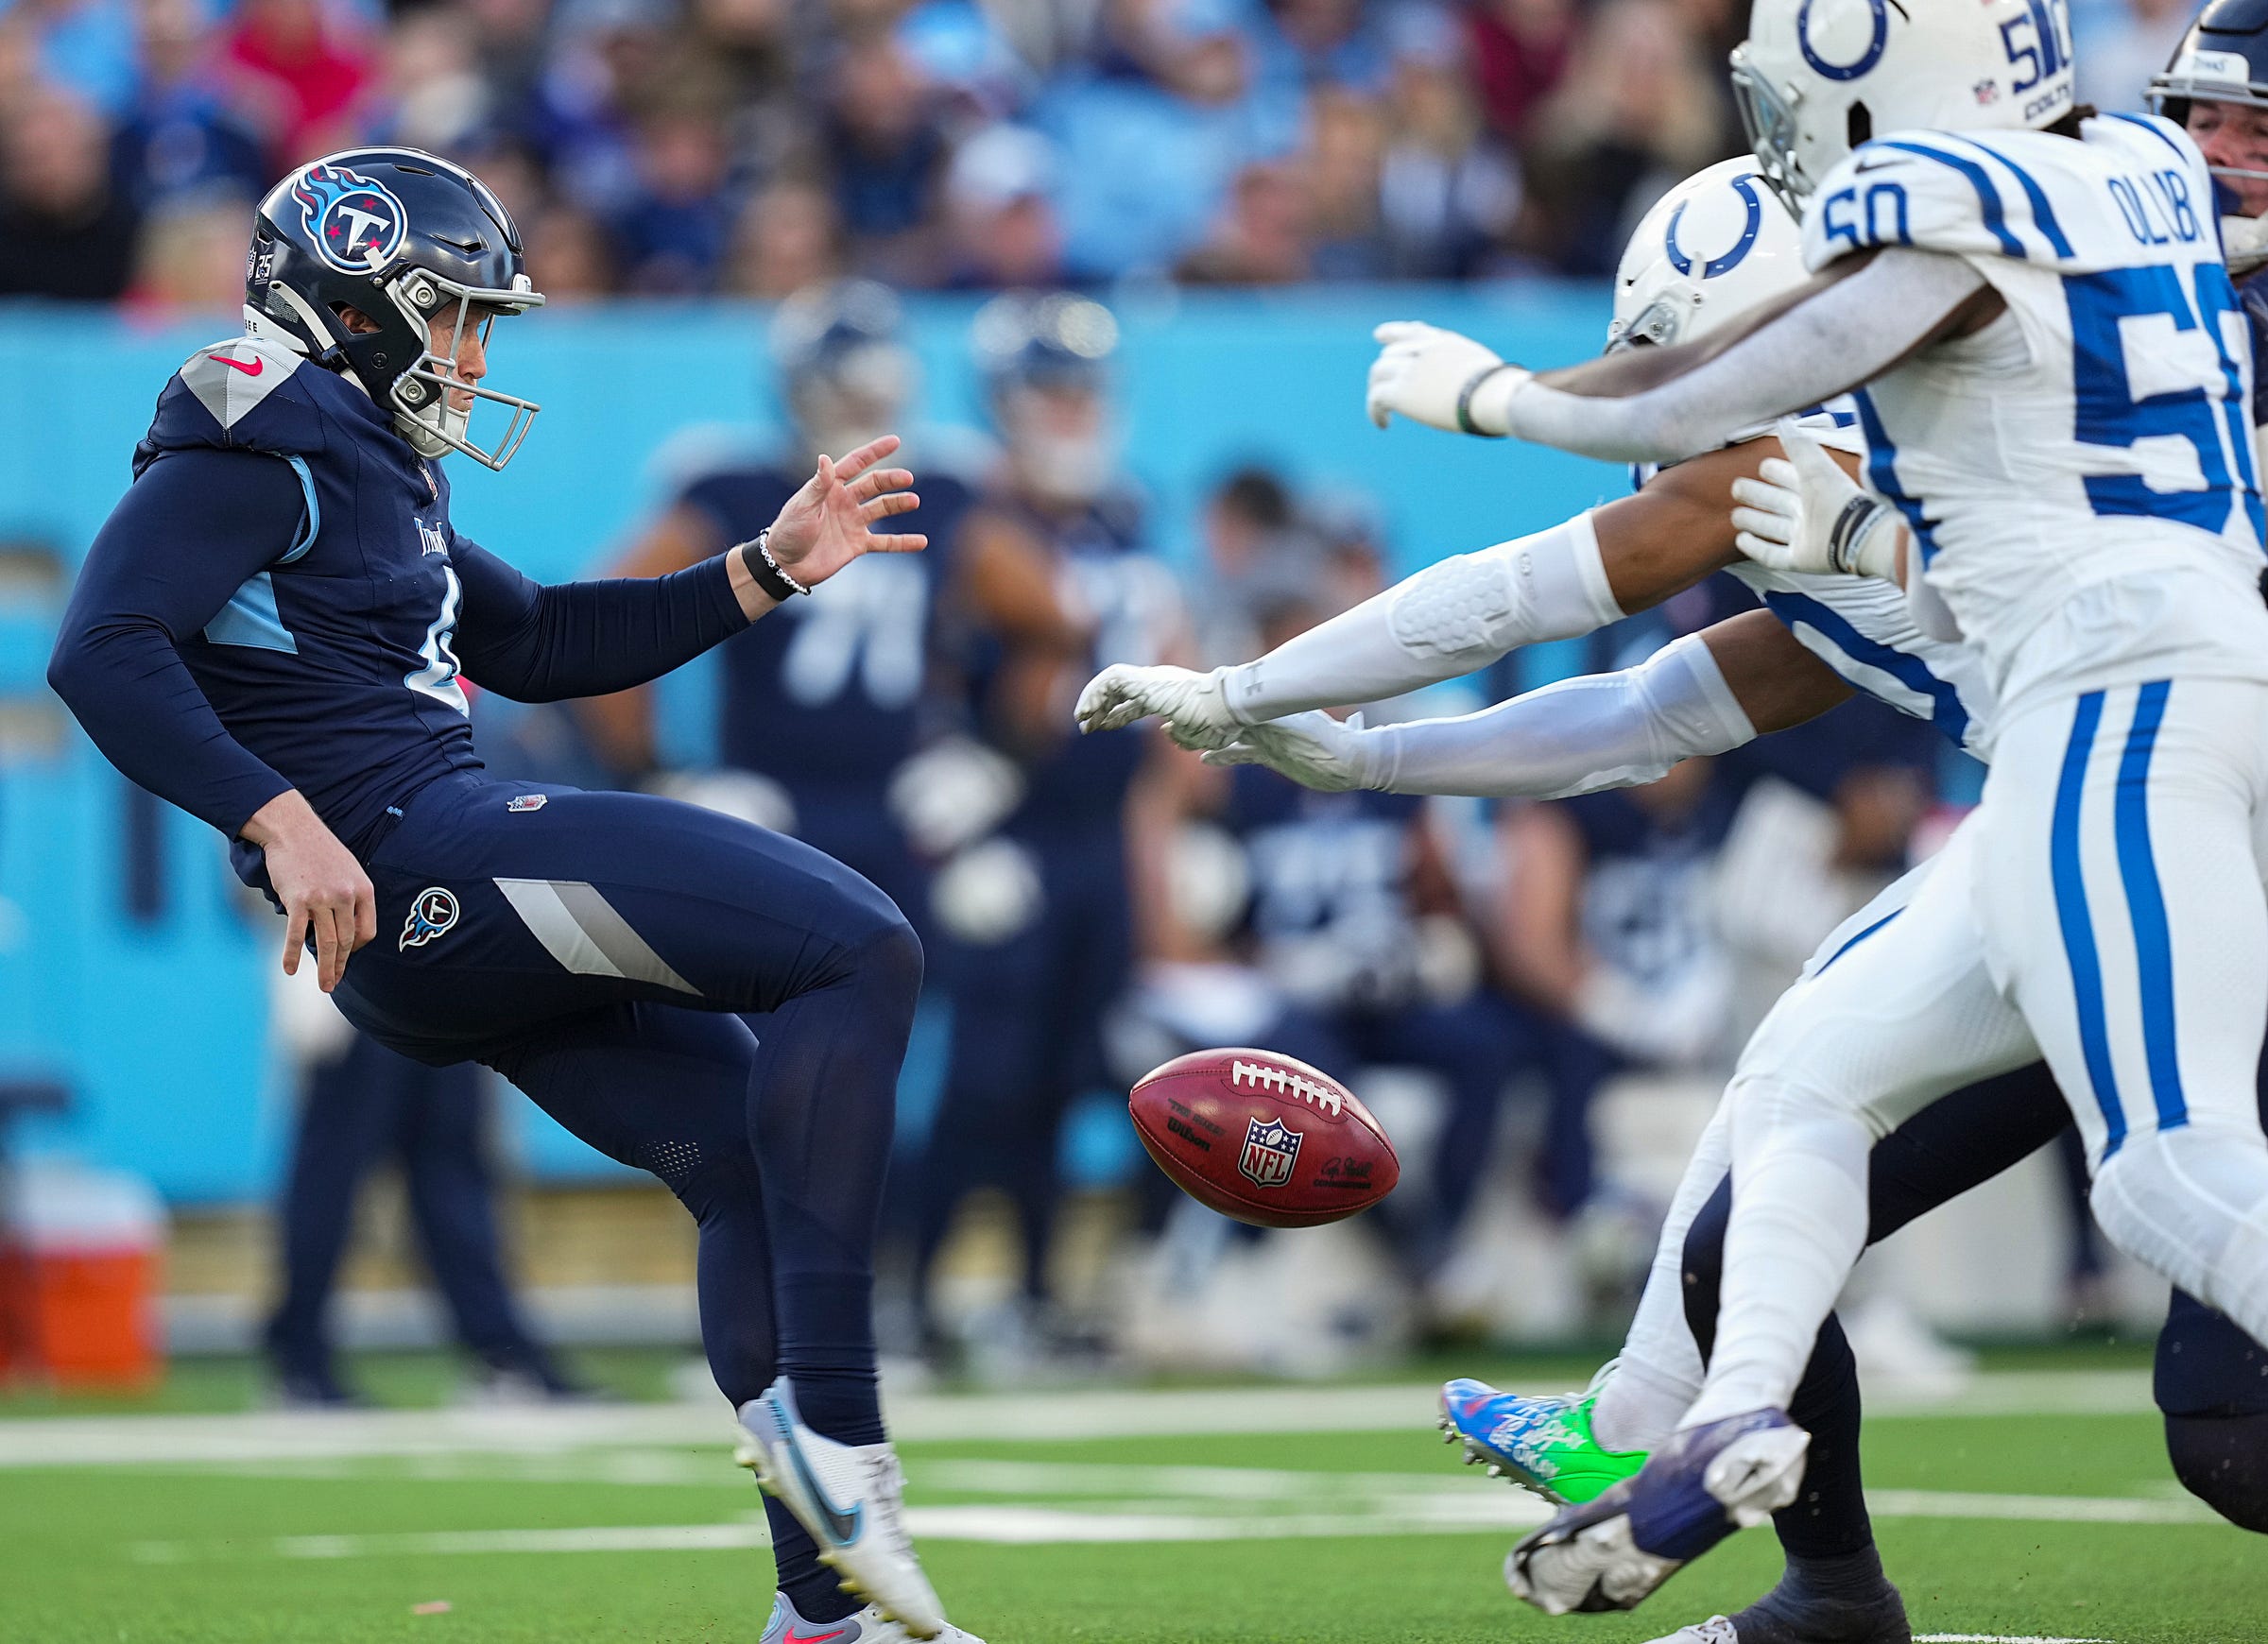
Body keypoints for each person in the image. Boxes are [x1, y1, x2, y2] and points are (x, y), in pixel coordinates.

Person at [1078, 154, 2268, 1641]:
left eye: (1687, 359)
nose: (1678, 397)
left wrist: (1252, 684)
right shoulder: (1888, 461)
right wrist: (1372, 757)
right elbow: (1656, 710)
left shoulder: (1820, 442)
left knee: (2176, 1254)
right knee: (1783, 1153)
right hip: (2105, 809)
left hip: (2184, 811)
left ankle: (1680, 1426)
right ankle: (1738, 1489)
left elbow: (1550, 584)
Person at [43, 146, 978, 1644]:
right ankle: (845, 1437)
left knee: (748, 1153)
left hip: (426, 902)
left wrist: (767, 569)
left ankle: (826, 1620)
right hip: (415, 847)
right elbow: (102, 647)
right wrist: (280, 820)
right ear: (355, 304)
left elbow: (536, 640)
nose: (476, 351)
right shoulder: (249, 428)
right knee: (857, 945)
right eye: (456, 315)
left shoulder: (358, 448)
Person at [576, 278, 1075, 937]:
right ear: (801, 391)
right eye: (848, 389)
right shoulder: (736, 494)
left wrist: (995, 761)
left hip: (905, 807)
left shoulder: (942, 494)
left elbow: (1053, 625)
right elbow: (604, 623)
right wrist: (659, 779)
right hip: (768, 804)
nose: (865, 407)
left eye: (877, 390)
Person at [911, 291, 1186, 1369]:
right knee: (985, 1081)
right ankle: (924, 1298)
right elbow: (923, 665)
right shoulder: (974, 514)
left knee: (1071, 1076)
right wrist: (946, 776)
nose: (1074, 410)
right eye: (1052, 389)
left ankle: (1030, 1294)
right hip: (1006, 830)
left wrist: (1167, 814)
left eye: (1085, 388)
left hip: (1095, 833)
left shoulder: (1121, 515)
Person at [266, 1022, 582, 1408]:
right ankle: (301, 1363)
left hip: (440, 1000)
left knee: (454, 1184)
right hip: (355, 998)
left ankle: (502, 1353)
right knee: (331, 1182)